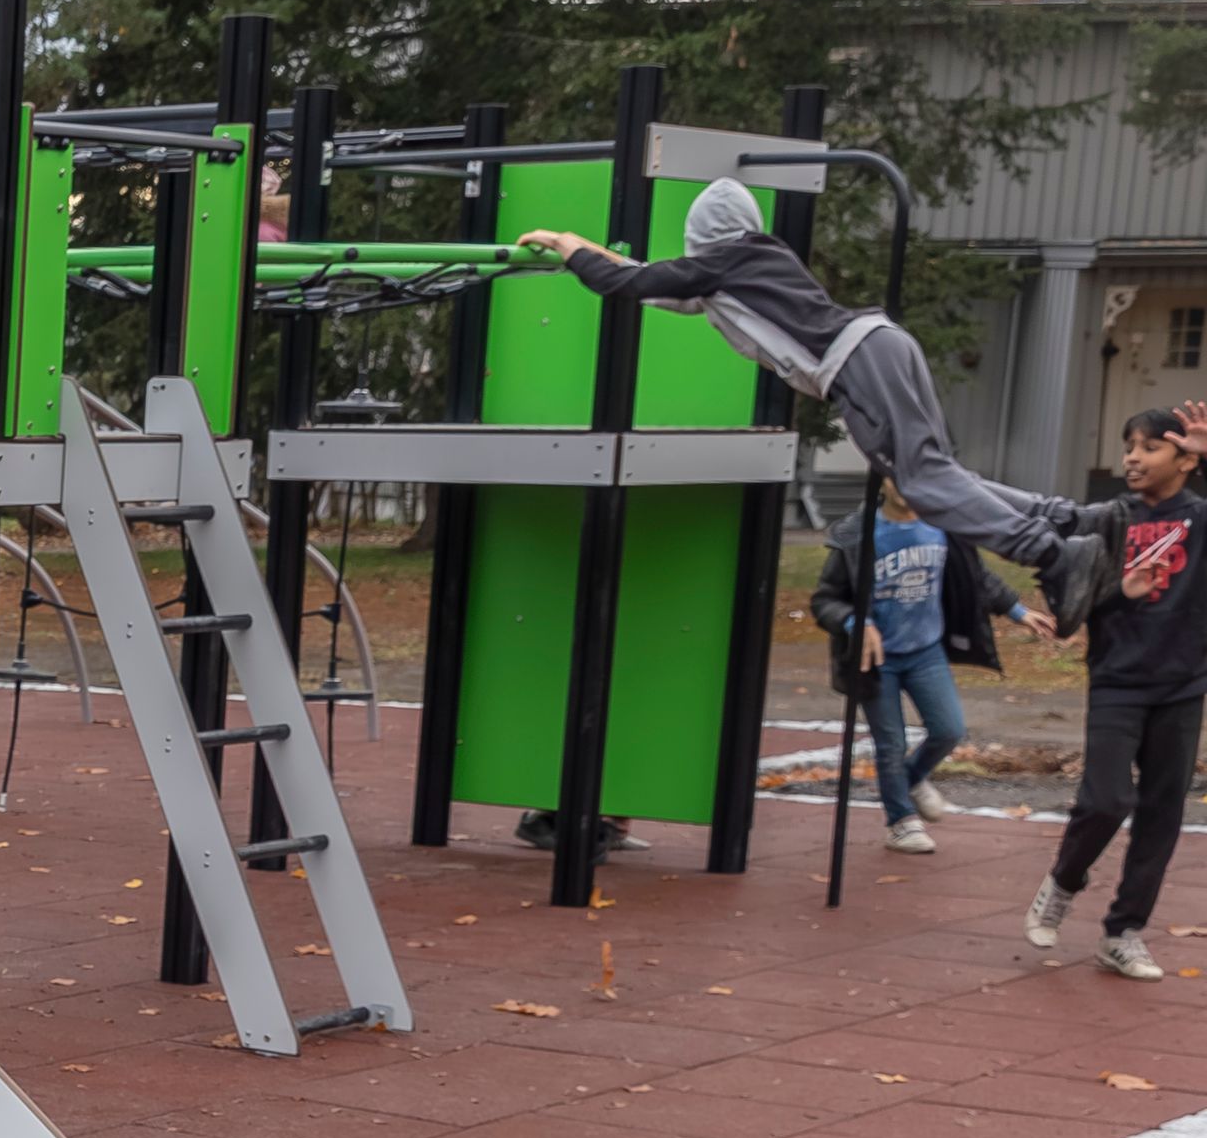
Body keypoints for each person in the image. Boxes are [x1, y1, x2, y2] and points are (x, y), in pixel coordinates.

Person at [515, 187, 1178, 633]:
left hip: (857, 364)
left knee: (920, 483)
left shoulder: (721, 264)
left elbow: (635, 284)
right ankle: (1069, 520)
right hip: (883, 347)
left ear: (704, 240)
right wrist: (587, 253)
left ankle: (1059, 555)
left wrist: (571, 249)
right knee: (938, 471)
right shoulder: (748, 260)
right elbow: (657, 287)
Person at [1027, 408, 1207, 981]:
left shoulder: (1201, 518)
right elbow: (1072, 603)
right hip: (1117, 681)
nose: (1132, 457)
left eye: (1150, 447)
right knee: (1105, 800)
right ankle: (1063, 881)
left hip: (1182, 686)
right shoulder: (1106, 521)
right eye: (1129, 446)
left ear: (1185, 460)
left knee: (1161, 813)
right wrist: (1118, 593)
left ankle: (1122, 932)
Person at [810, 474, 1054, 853]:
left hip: (925, 652)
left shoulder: (942, 527)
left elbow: (977, 578)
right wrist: (856, 622)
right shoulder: (858, 535)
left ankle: (909, 778)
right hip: (876, 660)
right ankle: (900, 822)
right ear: (883, 482)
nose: (907, 488)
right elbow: (825, 600)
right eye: (897, 478)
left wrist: (1017, 610)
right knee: (890, 742)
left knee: (949, 729)